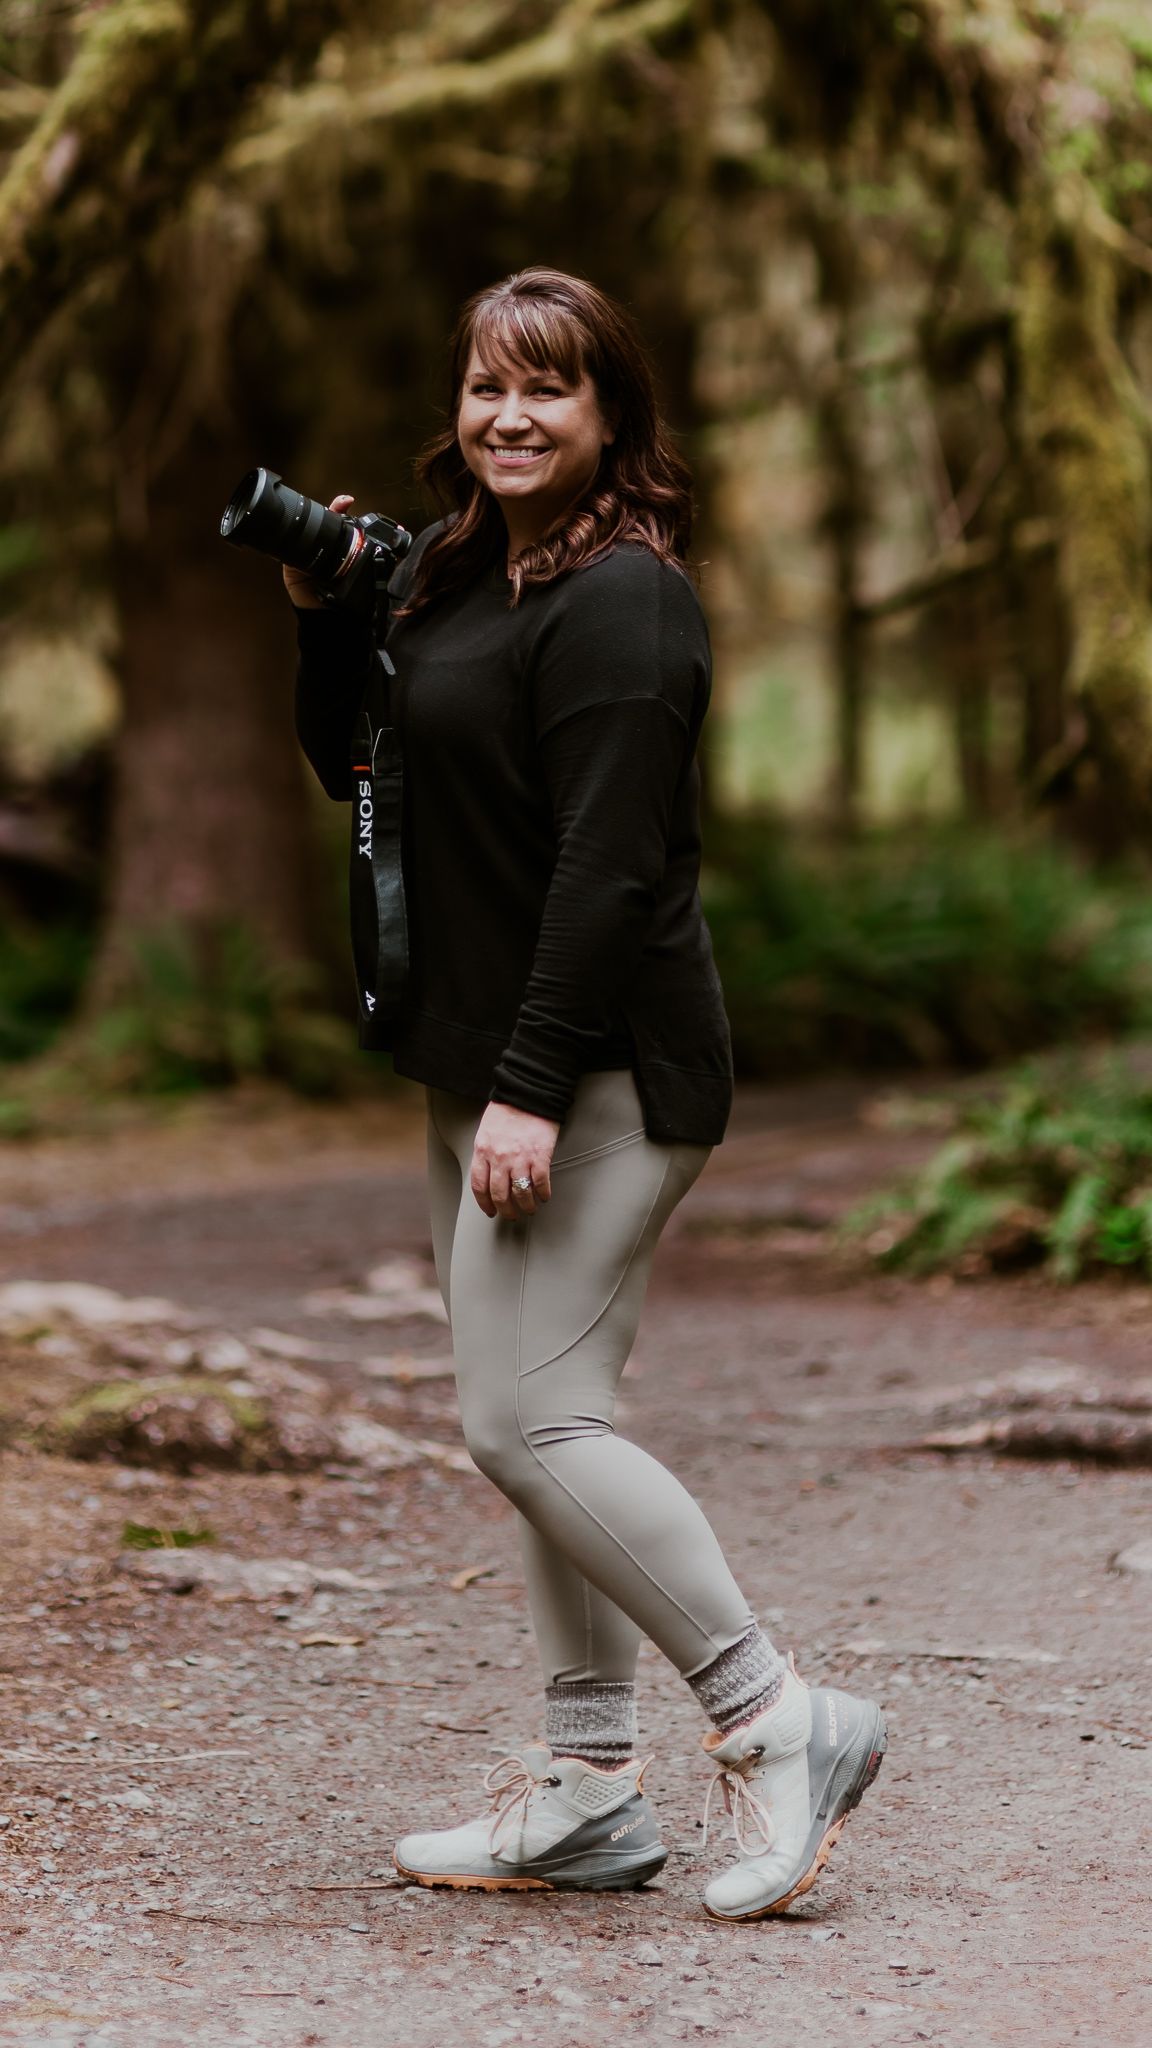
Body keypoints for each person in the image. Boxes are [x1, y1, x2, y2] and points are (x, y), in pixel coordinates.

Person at [288, 267, 886, 1923]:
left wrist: (534, 1089)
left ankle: (778, 1718)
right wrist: (327, 617)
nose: (509, 416)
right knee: (550, 1437)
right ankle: (589, 1792)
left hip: (602, 1075)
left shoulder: (627, 603)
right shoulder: (459, 581)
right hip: (487, 1069)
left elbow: (611, 870)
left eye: (548, 388)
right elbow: (358, 770)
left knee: (524, 1419)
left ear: (614, 412)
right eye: (486, 384)